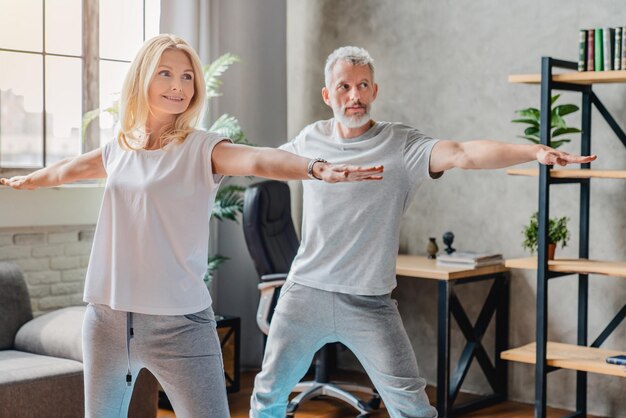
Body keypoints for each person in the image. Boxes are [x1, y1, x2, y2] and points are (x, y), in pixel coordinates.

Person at [0, 35, 384, 418]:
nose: (178, 86)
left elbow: (257, 160)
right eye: (166, 73)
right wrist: (32, 179)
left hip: (179, 324)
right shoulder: (121, 147)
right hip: (107, 320)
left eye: (187, 77)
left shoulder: (201, 148)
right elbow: (73, 168)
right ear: (142, 79)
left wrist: (315, 167)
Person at [249, 46, 597, 418]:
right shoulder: (310, 140)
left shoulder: (401, 145)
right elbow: (262, 162)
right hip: (305, 293)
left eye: (363, 85)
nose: (354, 96)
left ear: (375, 91)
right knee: (268, 398)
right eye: (344, 86)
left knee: (413, 410)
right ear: (327, 94)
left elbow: (464, 152)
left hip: (369, 302)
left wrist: (533, 152)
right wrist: (203, 157)